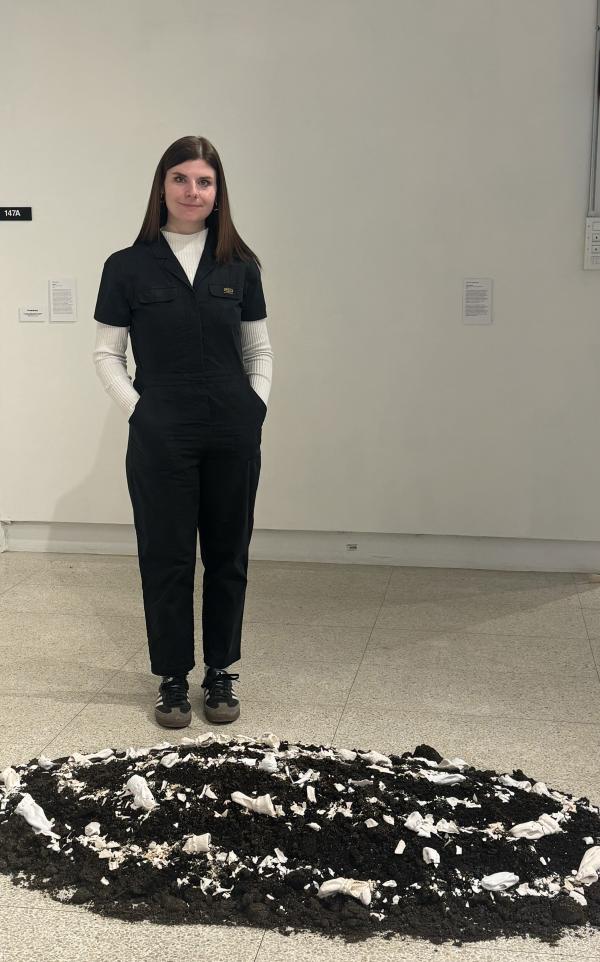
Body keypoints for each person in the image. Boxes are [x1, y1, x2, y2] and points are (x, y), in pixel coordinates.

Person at [92, 135, 273, 730]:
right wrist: (141, 412)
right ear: (161, 186)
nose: (193, 191)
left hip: (232, 428)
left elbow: (260, 349)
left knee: (227, 555)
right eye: (182, 179)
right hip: (161, 430)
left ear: (218, 192)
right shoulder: (126, 266)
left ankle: (221, 671)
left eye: (205, 181)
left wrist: (255, 408)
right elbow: (106, 354)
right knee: (166, 556)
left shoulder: (240, 266)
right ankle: (172, 676)